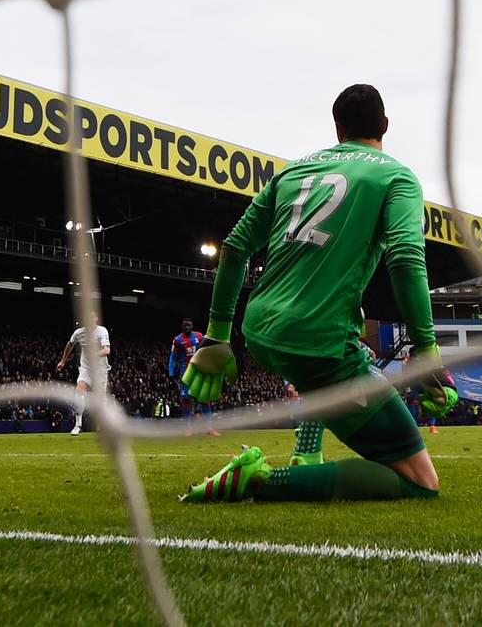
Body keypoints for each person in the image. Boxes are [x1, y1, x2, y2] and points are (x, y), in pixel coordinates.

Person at [178, 83, 455, 503]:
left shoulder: (293, 171)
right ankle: (258, 481)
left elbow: (234, 248)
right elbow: (404, 260)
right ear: (385, 125)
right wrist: (427, 346)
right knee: (420, 481)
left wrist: (218, 334)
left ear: (337, 128)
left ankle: (306, 449)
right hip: (318, 337)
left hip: (260, 328)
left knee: (329, 371)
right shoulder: (395, 176)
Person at [56, 312, 111, 436]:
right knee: (79, 391)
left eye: (92, 317)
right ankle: (78, 425)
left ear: (96, 319)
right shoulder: (79, 333)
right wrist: (63, 360)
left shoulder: (102, 331)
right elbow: (70, 345)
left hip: (100, 370)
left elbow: (107, 350)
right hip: (86, 368)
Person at [168, 318, 218, 436]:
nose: (187, 326)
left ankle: (209, 428)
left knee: (204, 399)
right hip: (185, 372)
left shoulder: (199, 336)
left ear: (192, 325)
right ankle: (188, 429)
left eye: (189, 324)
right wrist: (171, 374)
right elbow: (173, 357)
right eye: (185, 324)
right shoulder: (178, 340)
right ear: (182, 326)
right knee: (186, 399)